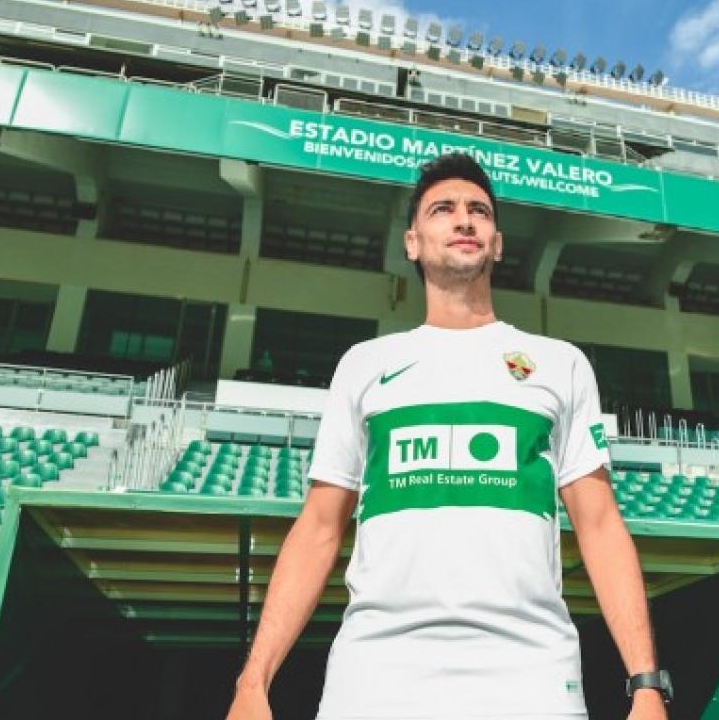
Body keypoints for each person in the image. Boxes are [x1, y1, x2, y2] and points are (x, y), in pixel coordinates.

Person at [225, 153, 671, 720]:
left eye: (478, 211)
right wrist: (253, 681)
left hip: (530, 680)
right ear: (412, 242)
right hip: (376, 680)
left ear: (498, 242)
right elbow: (317, 528)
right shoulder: (365, 365)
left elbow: (601, 526)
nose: (464, 221)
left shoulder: (560, 365)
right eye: (443, 209)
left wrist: (647, 684)